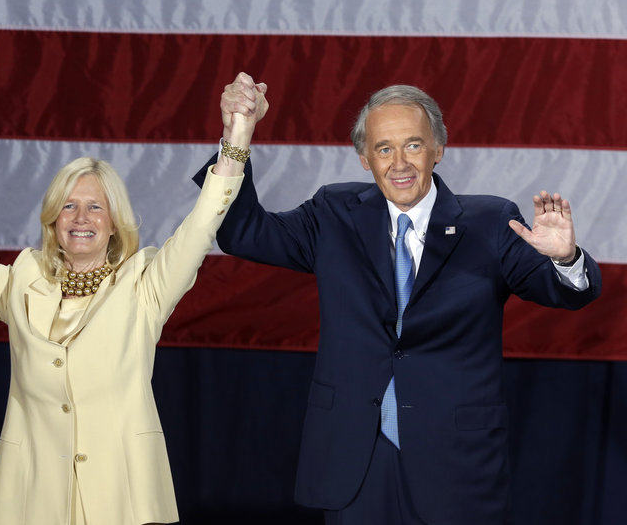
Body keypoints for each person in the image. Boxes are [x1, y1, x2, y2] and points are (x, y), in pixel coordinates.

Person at [194, 73, 602, 524]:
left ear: (438, 150)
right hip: (356, 458)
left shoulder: (489, 222)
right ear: (365, 159)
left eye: (413, 144)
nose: (399, 163)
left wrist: (566, 259)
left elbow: (564, 293)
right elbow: (241, 232)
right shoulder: (333, 213)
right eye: (383, 148)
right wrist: (238, 132)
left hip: (454, 462)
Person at [0, 106, 244, 525]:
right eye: (69, 206)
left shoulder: (145, 284)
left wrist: (238, 137)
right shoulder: (21, 282)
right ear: (53, 220)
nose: (81, 218)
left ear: (114, 223)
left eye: (95, 207)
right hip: (31, 496)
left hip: (124, 493)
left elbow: (200, 227)